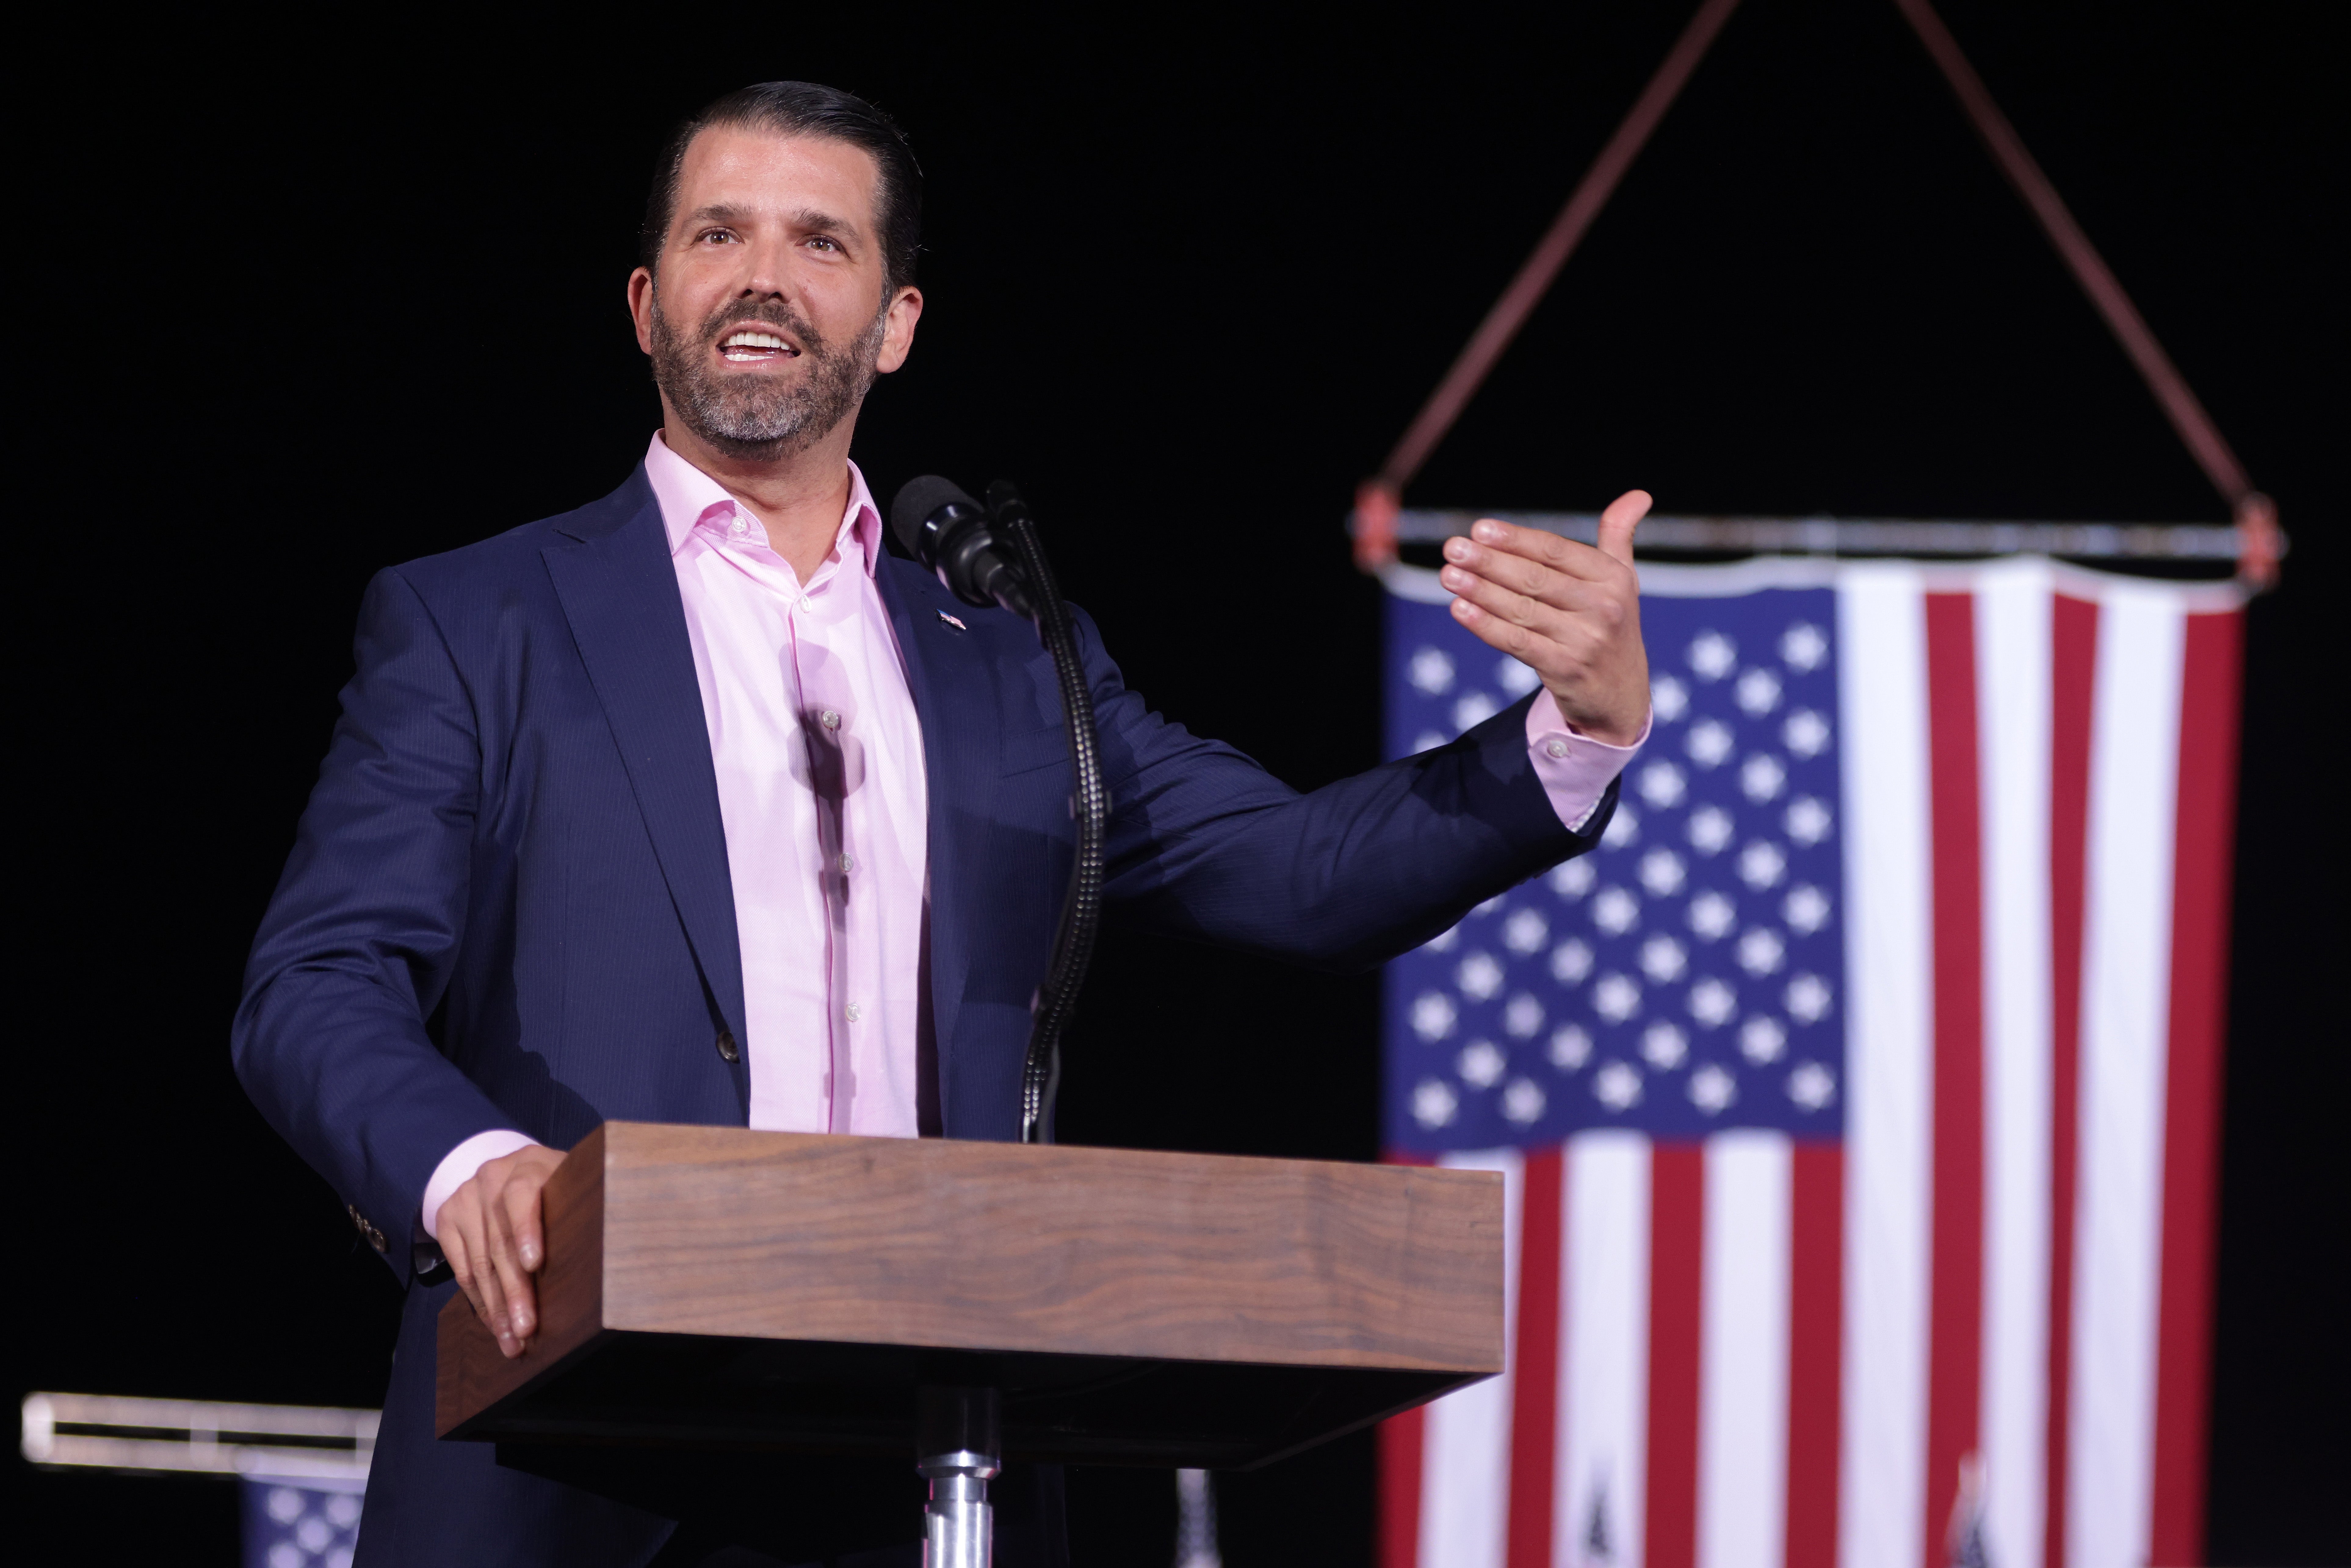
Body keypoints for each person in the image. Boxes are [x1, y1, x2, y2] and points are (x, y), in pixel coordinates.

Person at [233, 80, 1655, 1568]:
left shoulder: (1009, 655)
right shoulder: (480, 619)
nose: (765, 275)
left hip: (927, 1461)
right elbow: (314, 986)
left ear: (896, 322)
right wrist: (474, 1171)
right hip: (560, 1449)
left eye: (821, 242)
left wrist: (1582, 725)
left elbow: (1302, 875)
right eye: (721, 234)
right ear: (650, 300)